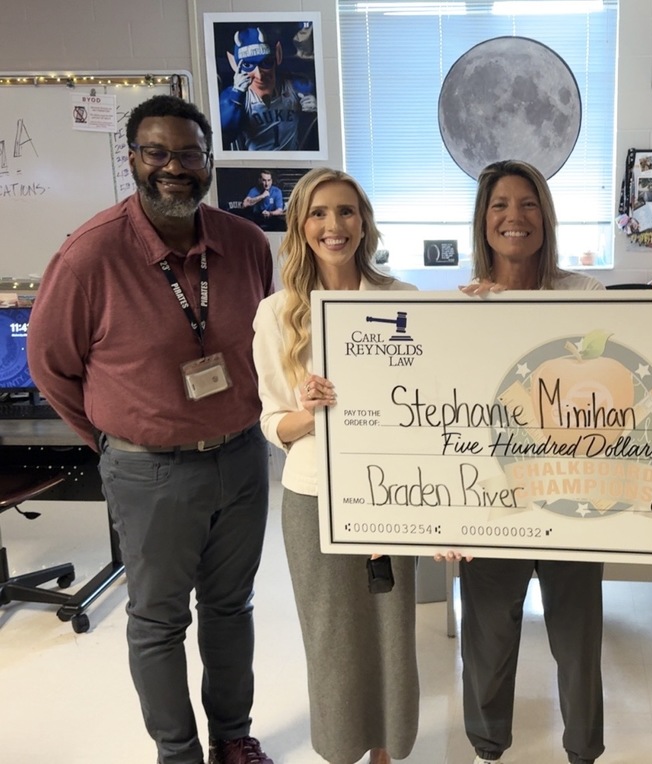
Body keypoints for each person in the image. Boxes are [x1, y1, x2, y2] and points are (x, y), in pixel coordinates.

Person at [27, 94, 275, 764]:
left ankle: (233, 737)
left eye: (189, 154)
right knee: (160, 619)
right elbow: (50, 367)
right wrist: (116, 439)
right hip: (149, 471)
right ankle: (177, 752)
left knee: (232, 608)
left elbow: (270, 344)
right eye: (157, 152)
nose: (175, 167)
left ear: (209, 163)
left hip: (242, 459)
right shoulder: (90, 255)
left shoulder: (246, 244)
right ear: (133, 159)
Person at [251, 167, 419, 764]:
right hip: (314, 496)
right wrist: (307, 410)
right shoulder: (277, 314)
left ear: (364, 223)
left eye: (346, 212)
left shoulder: (402, 302)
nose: (334, 226)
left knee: (391, 631)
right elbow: (273, 424)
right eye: (319, 214)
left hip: (391, 494)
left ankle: (386, 750)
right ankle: (342, 749)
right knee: (332, 637)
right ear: (301, 226)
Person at [452, 159, 606, 764]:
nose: (514, 217)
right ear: (482, 221)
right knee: (487, 643)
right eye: (499, 206)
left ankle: (584, 752)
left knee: (578, 642)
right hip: (493, 503)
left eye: (528, 204)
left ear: (546, 215)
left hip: (573, 494)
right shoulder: (459, 307)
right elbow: (447, 414)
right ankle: (487, 749)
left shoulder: (584, 295)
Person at [220, 26, 317, 151]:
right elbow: (225, 135)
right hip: (253, 166)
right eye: (248, 65)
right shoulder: (233, 97)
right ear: (234, 64)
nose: (259, 75)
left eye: (266, 63)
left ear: (278, 55)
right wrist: (236, 96)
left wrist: (317, 108)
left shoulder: (296, 86)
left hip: (291, 164)